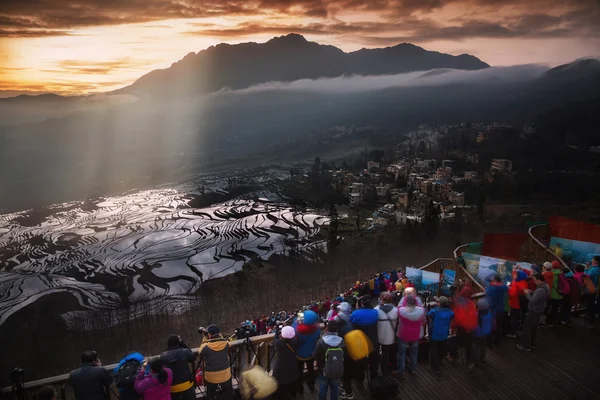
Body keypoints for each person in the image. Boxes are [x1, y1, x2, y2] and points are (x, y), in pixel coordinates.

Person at [198, 325, 233, 400]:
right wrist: (219, 336)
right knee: (228, 394)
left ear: (209, 334)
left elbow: (200, 352)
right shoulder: (226, 343)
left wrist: (204, 337)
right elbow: (228, 343)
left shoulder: (205, 346)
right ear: (219, 333)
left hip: (211, 377)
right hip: (225, 375)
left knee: (210, 395)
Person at [313, 320, 346, 400]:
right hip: (337, 369)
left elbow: (314, 355)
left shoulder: (321, 342)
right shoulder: (341, 341)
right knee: (335, 388)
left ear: (326, 329)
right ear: (337, 330)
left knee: (323, 388)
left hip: (323, 369)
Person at [517, 273, 550, 352]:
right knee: (534, 327)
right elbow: (539, 296)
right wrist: (532, 292)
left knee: (526, 327)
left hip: (534, 310)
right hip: (539, 310)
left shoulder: (540, 289)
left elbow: (533, 301)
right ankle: (532, 343)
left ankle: (525, 346)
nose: (534, 282)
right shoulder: (546, 286)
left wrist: (527, 294)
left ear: (539, 280)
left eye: (535, 280)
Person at [351, 295, 379, 380]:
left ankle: (360, 378)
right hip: (373, 340)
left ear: (361, 304)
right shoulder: (375, 312)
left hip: (360, 340)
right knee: (374, 360)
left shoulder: (355, 313)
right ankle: (374, 377)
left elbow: (351, 322)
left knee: (360, 361)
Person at [160, 335, 196, 400]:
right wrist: (185, 347)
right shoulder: (184, 352)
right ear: (178, 343)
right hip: (186, 385)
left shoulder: (163, 356)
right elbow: (192, 358)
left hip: (172, 388)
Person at [396, 296, 425, 378]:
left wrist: (404, 296)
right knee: (414, 353)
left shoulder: (401, 311)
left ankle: (401, 372)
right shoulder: (421, 311)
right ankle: (412, 369)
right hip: (415, 335)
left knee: (402, 354)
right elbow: (420, 305)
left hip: (403, 334)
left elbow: (400, 305)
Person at [294, 310, 320, 393]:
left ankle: (299, 387)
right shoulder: (317, 329)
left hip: (299, 354)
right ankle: (311, 385)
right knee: (311, 369)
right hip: (311, 353)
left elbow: (294, 325)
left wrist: (298, 320)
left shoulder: (297, 329)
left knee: (299, 371)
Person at [450, 286, 477, 369]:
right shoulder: (471, 304)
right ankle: (470, 363)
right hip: (471, 329)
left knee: (455, 342)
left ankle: (453, 356)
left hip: (462, 328)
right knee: (469, 346)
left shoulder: (459, 303)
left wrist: (453, 327)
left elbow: (456, 316)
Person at [334, 303, 356, 400]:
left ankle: (348, 393)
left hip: (343, 348)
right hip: (353, 345)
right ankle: (347, 383)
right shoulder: (352, 317)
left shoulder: (337, 320)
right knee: (350, 367)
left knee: (344, 370)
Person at [427, 296, 454, 374]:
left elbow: (429, 314)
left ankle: (435, 368)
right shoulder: (450, 312)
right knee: (441, 349)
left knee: (434, 350)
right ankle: (439, 361)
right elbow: (452, 315)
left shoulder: (435, 311)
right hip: (444, 333)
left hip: (435, 333)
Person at [375, 292, 398, 376]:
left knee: (380, 353)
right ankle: (388, 369)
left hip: (379, 334)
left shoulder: (377, 310)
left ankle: (381, 369)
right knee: (388, 352)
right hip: (391, 335)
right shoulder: (396, 310)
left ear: (382, 300)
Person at [273, 326, 300, 400]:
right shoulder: (295, 341)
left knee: (281, 387)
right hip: (293, 365)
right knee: (292, 382)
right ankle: (292, 394)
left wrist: (277, 331)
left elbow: (274, 339)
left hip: (281, 368)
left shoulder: (278, 343)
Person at [485, 274, 508, 346]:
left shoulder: (491, 289)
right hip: (500, 309)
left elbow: (487, 290)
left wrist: (489, 280)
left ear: (495, 281)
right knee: (499, 325)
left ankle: (489, 342)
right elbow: (505, 286)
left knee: (490, 326)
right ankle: (498, 341)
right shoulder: (502, 287)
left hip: (492, 310)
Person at [472, 299, 493, 372]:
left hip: (478, 334)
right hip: (486, 332)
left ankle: (476, 361)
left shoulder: (477, 315)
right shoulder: (489, 313)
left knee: (476, 347)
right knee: (482, 345)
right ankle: (483, 357)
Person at [507, 270, 528, 338]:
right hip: (519, 304)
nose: (513, 276)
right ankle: (516, 330)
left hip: (515, 304)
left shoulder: (517, 283)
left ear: (518, 276)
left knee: (514, 319)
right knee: (516, 318)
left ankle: (513, 333)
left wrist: (509, 288)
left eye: (515, 274)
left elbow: (513, 293)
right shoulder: (523, 282)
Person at [546, 261, 564, 326]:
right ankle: (552, 322)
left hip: (551, 294)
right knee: (555, 310)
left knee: (547, 308)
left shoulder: (550, 274)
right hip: (559, 295)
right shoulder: (562, 274)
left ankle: (546, 321)